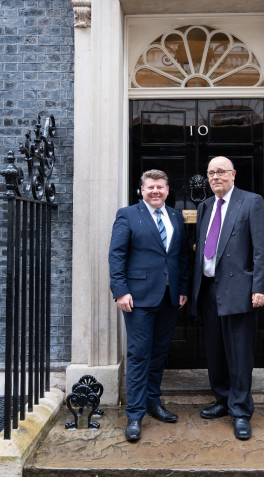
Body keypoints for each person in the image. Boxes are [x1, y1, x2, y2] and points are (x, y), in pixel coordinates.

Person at [191, 156, 264, 440]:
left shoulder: (252, 202)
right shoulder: (205, 207)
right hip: (209, 289)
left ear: (233, 174)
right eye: (211, 172)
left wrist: (260, 288)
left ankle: (240, 411)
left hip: (240, 290)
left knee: (239, 352)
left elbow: (262, 249)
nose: (215, 177)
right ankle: (223, 399)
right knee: (215, 350)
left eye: (221, 172)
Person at [109, 169, 189, 442]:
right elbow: (117, 255)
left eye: (160, 187)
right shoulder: (127, 214)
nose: (155, 191)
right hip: (138, 298)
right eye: (150, 187)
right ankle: (134, 414)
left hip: (169, 298)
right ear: (141, 190)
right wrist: (120, 291)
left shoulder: (177, 216)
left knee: (158, 354)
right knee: (139, 354)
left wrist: (183, 290)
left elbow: (181, 257)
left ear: (167, 190)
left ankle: (153, 403)